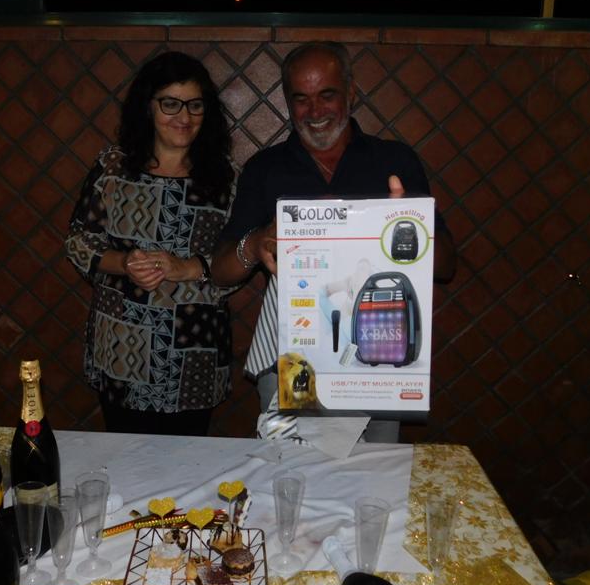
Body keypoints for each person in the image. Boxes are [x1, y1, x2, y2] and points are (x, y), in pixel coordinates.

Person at [212, 42, 456, 437]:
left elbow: (446, 266)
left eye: (327, 95)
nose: (315, 111)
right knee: (293, 466)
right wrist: (254, 245)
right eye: (301, 99)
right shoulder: (265, 168)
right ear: (288, 102)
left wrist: (413, 222)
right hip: (295, 360)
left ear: (351, 93)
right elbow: (220, 271)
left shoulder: (394, 161)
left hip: (377, 359)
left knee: (372, 471)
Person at [66, 51, 236, 436]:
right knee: (125, 462)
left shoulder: (227, 179)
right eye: (170, 104)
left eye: (195, 105)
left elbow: (241, 259)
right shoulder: (113, 168)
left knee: (189, 466)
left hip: (194, 358)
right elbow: (78, 243)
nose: (184, 116)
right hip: (121, 351)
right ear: (148, 107)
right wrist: (124, 262)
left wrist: (189, 268)